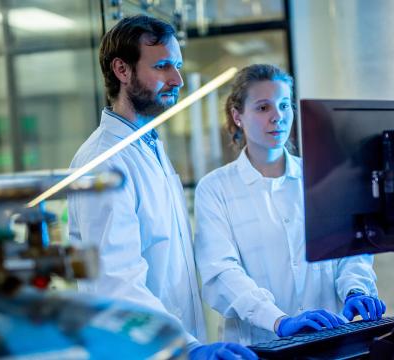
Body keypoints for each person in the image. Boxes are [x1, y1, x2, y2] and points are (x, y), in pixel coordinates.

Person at [67, 15, 256, 359]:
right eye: (164, 66)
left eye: (178, 66)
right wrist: (190, 348)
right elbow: (117, 283)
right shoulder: (103, 162)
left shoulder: (149, 145)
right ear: (122, 70)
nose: (178, 79)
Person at [194, 64, 386, 345]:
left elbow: (351, 252)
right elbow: (221, 273)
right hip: (262, 345)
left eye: (284, 105)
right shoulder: (215, 189)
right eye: (263, 108)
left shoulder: (324, 178)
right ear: (238, 116)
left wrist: (356, 290)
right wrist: (278, 320)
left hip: (331, 340)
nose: (278, 117)